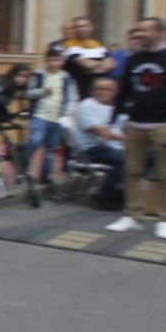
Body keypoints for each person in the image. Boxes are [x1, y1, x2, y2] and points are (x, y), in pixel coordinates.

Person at [105, 18, 166, 239]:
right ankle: (132, 215)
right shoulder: (135, 59)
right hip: (135, 124)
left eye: (145, 30)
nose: (140, 33)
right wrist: (113, 121)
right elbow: (124, 92)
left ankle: (164, 219)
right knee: (131, 171)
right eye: (138, 29)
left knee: (164, 174)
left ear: (159, 33)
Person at [70, 77, 125, 206]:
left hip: (114, 146)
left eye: (106, 89)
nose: (102, 92)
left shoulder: (117, 107)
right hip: (92, 149)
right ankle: (105, 194)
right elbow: (101, 132)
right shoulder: (87, 105)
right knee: (127, 160)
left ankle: (125, 191)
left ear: (115, 91)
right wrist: (130, 138)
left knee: (149, 156)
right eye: (98, 89)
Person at [25, 49, 75, 184]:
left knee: (52, 148)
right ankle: (25, 168)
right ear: (46, 60)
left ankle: (46, 176)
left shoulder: (66, 78)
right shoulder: (38, 74)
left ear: (62, 62)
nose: (54, 63)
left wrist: (67, 114)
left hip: (57, 116)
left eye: (57, 60)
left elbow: (71, 97)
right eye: (51, 60)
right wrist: (43, 91)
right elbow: (29, 93)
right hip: (40, 115)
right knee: (35, 140)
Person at [60, 15, 113, 99]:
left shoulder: (98, 44)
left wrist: (91, 69)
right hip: (80, 91)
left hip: (99, 92)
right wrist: (100, 66)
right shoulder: (69, 45)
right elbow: (86, 64)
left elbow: (110, 64)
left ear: (91, 28)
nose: (81, 29)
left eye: (84, 26)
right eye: (77, 27)